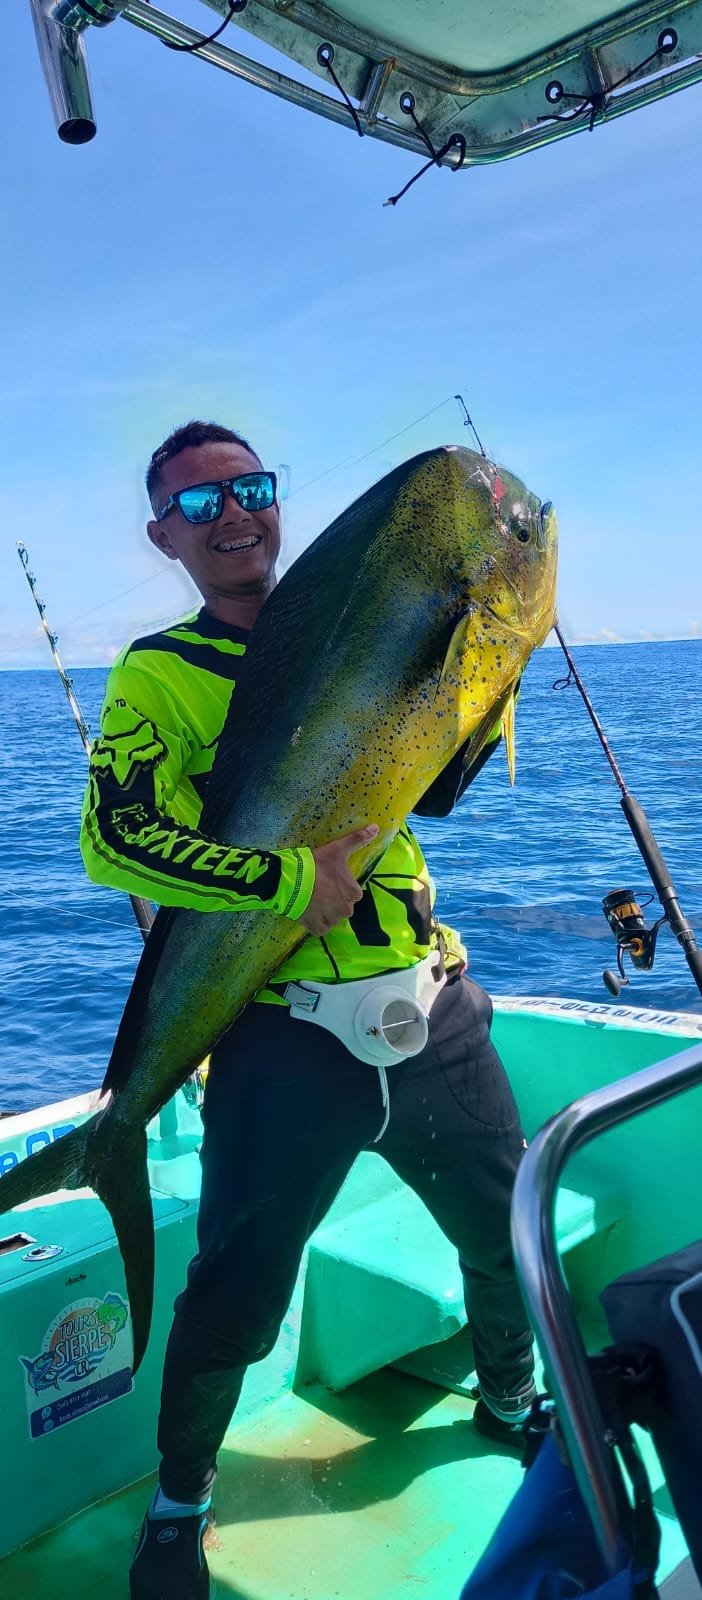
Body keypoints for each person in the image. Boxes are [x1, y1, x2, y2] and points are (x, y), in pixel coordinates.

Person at [80, 420, 537, 1600]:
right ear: (162, 536)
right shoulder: (157, 673)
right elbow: (115, 836)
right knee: (233, 1292)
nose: (235, 515)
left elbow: (432, 785)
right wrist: (286, 880)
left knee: (506, 1235)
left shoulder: (352, 621)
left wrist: (490, 677)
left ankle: (512, 1402)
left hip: (431, 1003)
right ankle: (180, 1501)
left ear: (276, 500)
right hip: (284, 1041)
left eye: (251, 488)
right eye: (199, 504)